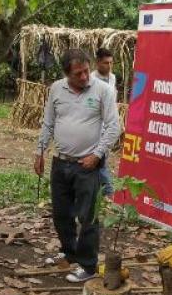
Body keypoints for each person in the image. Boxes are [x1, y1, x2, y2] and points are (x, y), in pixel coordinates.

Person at [34, 49, 120, 282]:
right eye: (77, 74)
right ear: (66, 75)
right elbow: (48, 122)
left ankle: (89, 266)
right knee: (61, 214)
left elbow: (113, 127)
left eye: (85, 71)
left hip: (87, 165)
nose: (84, 77)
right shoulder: (56, 89)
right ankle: (70, 253)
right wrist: (39, 151)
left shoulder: (104, 90)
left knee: (88, 217)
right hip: (60, 162)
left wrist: (97, 155)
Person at [91, 48, 117, 198]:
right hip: (95, 128)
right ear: (98, 62)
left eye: (111, 63)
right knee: (100, 162)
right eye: (105, 63)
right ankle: (109, 194)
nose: (109, 66)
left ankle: (99, 193)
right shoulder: (91, 80)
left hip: (108, 127)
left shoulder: (112, 78)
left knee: (100, 161)